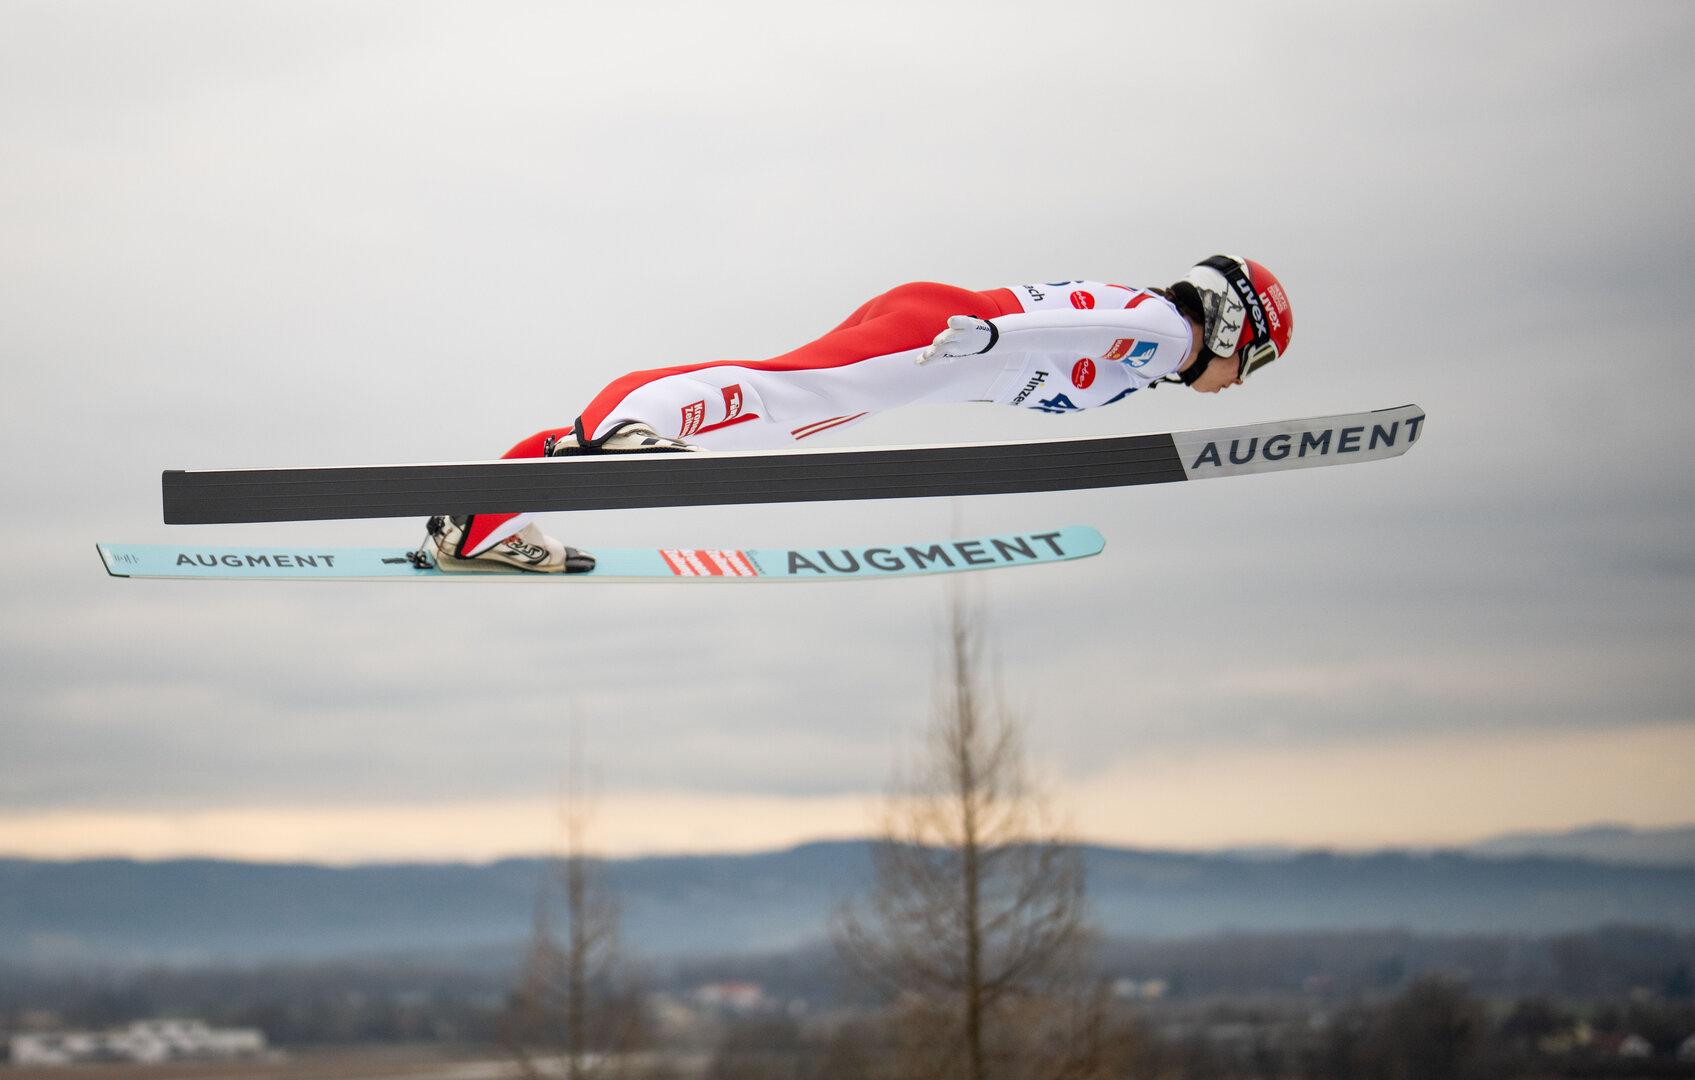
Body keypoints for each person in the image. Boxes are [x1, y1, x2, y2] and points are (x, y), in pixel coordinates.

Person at [423, 254, 1294, 573]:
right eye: (1251, 359)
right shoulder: (1157, 331)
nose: (1242, 379)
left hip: (934, 353)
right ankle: (622, 429)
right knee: (774, 392)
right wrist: (987, 335)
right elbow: (1074, 314)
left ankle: (482, 520)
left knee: (780, 415)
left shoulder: (1152, 352)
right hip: (940, 336)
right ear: (1229, 325)